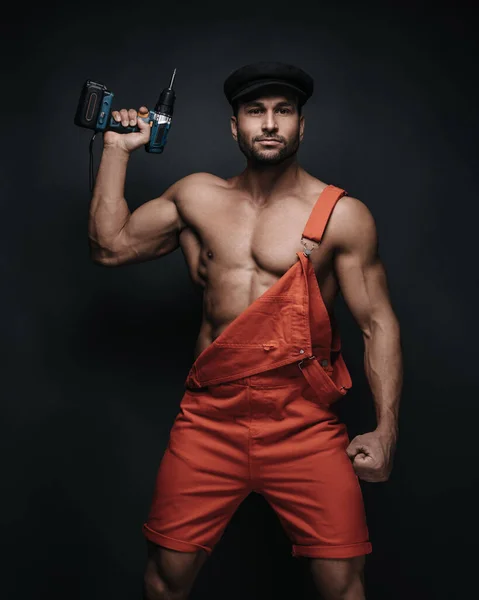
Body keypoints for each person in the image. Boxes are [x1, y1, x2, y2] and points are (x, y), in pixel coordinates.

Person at [88, 62, 402, 600]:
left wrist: (385, 429)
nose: (270, 124)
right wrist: (116, 151)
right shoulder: (197, 197)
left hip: (302, 422)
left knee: (343, 586)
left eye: (284, 111)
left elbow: (377, 323)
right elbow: (109, 246)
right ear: (234, 127)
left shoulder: (344, 216)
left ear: (303, 125)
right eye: (256, 112)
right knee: (165, 581)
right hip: (210, 420)